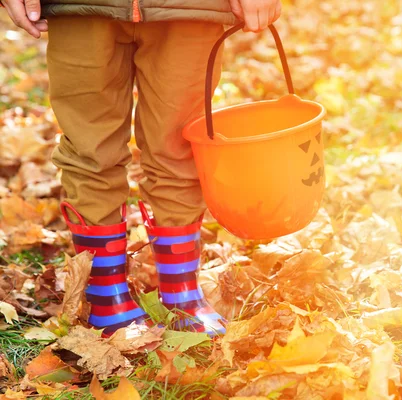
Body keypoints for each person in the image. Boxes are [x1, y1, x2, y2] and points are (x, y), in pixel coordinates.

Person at [2, 0, 282, 336]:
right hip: (80, 7)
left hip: (190, 7)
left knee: (181, 146)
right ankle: (105, 294)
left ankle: (181, 289)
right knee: (89, 150)